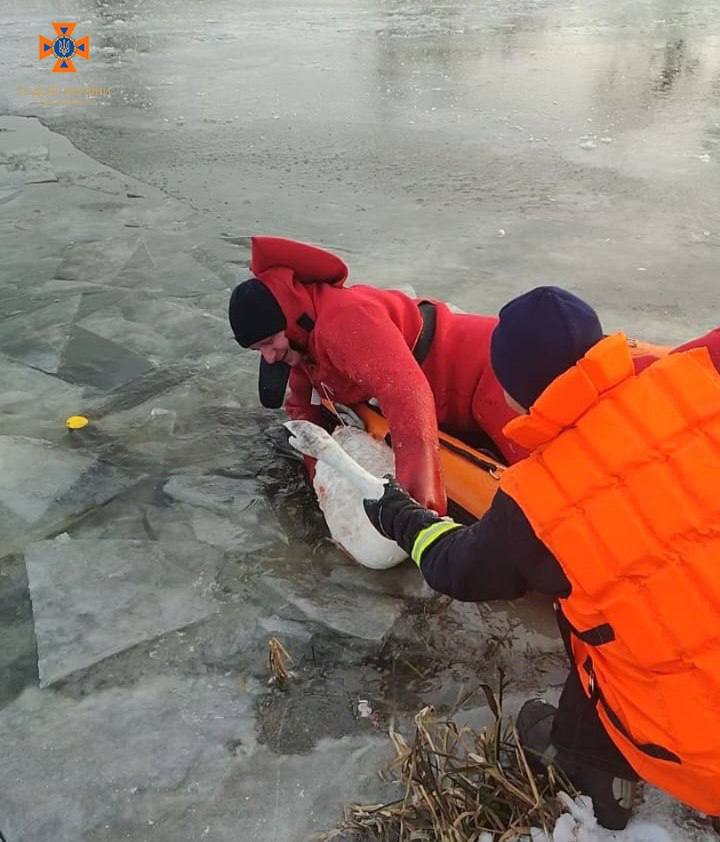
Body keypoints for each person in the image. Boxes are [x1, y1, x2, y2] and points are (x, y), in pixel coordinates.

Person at [363, 286, 720, 829]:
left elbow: (456, 567)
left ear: (512, 394)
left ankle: (594, 768)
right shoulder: (700, 376)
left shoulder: (536, 501)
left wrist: (403, 518)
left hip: (700, 763)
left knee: (590, 612)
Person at [228, 235, 530, 515]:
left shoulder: (344, 319)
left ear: (288, 319)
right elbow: (307, 408)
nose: (269, 357)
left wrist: (418, 505)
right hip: (448, 396)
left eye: (269, 343)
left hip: (492, 373)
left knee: (539, 485)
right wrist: (322, 477)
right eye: (258, 350)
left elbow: (405, 393)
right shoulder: (302, 344)